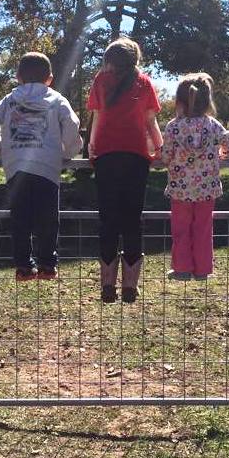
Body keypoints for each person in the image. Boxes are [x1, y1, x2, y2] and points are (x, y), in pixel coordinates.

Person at [0, 52, 81, 281]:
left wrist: (0, 149)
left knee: (20, 219)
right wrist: (67, 152)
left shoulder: (10, 99)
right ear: (50, 78)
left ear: (18, 77)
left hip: (16, 166)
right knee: (48, 217)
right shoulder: (57, 99)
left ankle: (23, 266)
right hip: (46, 165)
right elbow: (72, 125)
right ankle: (47, 264)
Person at [87, 37, 163, 303]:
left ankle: (107, 285)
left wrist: (91, 146)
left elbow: (96, 117)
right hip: (136, 156)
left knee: (108, 219)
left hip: (107, 155)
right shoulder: (144, 83)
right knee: (133, 219)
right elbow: (150, 121)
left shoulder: (100, 81)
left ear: (109, 61)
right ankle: (130, 286)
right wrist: (161, 147)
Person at [161, 73, 229, 281]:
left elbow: (166, 156)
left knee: (181, 229)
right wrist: (223, 155)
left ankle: (182, 268)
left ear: (179, 101)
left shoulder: (173, 127)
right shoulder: (212, 125)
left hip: (180, 189)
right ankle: (203, 269)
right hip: (207, 188)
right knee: (203, 229)